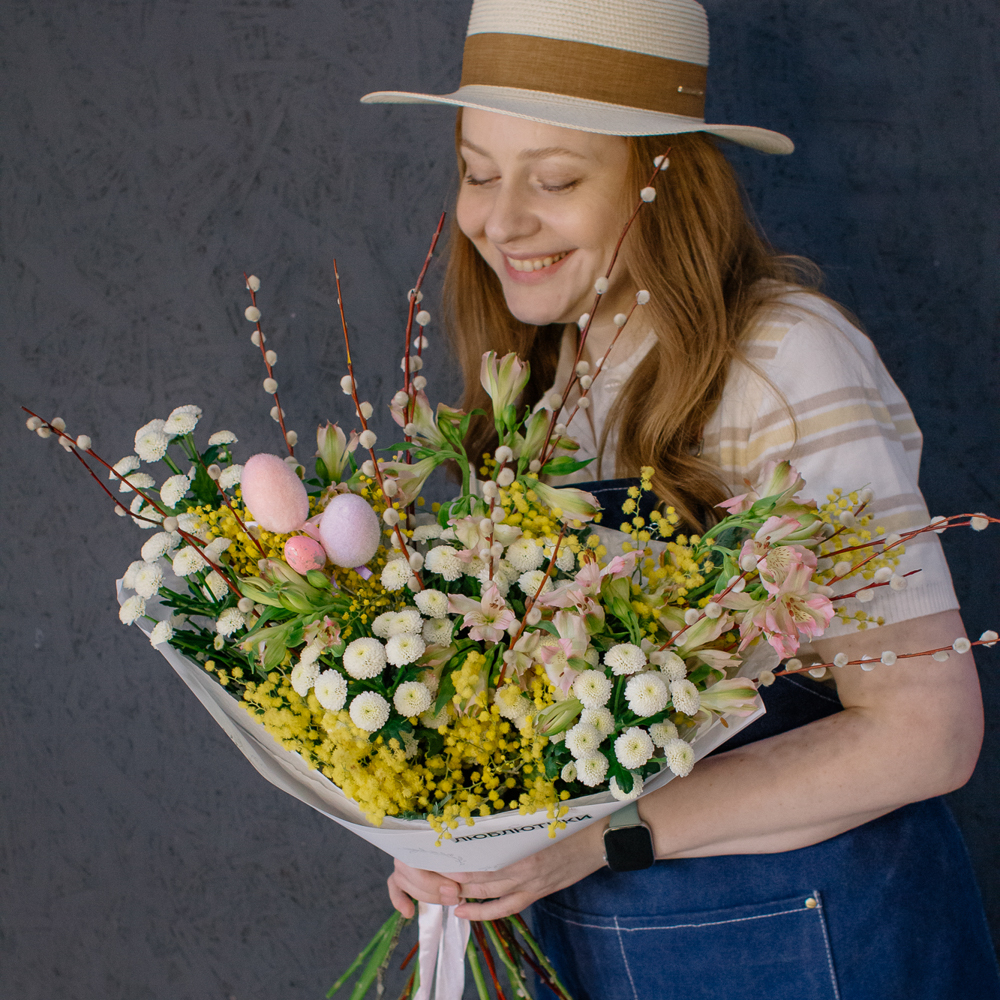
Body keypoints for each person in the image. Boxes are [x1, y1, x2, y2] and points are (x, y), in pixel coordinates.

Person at [361, 1, 1000, 996]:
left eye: (558, 178)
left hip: (814, 943)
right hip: (611, 941)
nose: (501, 218)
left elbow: (928, 730)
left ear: (663, 180)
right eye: (478, 171)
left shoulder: (782, 361)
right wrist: (453, 828)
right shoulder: (536, 377)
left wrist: (602, 834)